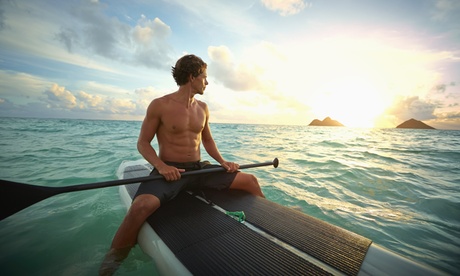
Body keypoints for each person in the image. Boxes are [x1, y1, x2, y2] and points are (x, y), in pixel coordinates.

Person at [99, 54, 265, 275]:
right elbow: (143, 143)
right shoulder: (160, 105)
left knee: (250, 180)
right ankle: (112, 260)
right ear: (191, 76)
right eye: (204, 77)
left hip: (198, 169)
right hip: (170, 171)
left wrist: (223, 162)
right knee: (140, 208)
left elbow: (207, 140)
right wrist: (161, 166)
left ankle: (268, 225)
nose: (207, 82)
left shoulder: (203, 108)